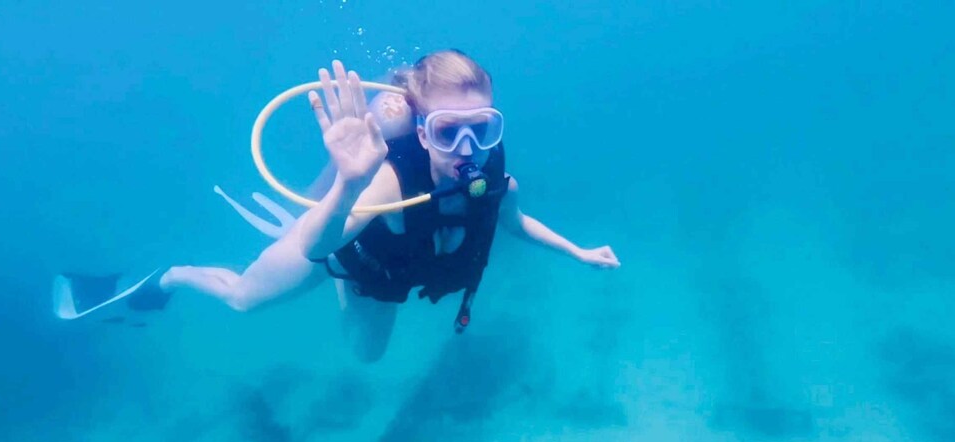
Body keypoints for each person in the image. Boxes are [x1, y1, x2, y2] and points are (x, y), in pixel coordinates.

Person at [59, 50, 620, 362]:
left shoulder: (495, 178)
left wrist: (578, 252)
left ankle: (348, 282)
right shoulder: (388, 186)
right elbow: (316, 244)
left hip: (379, 260)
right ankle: (174, 276)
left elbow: (514, 221)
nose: (468, 148)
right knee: (243, 301)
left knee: (367, 357)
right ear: (421, 132)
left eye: (484, 129)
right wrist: (350, 184)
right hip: (332, 238)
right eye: (449, 132)